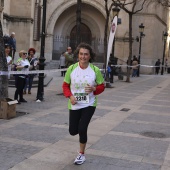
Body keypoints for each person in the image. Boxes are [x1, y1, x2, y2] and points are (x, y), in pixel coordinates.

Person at [62, 43, 105, 165]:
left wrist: (94, 89)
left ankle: (81, 154)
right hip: (74, 104)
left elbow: (102, 86)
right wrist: (70, 96)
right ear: (78, 55)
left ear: (90, 56)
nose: (83, 56)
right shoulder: (72, 69)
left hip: (89, 104)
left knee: (82, 128)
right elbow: (65, 85)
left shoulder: (95, 70)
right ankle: (80, 143)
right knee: (72, 131)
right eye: (81, 54)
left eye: (86, 54)